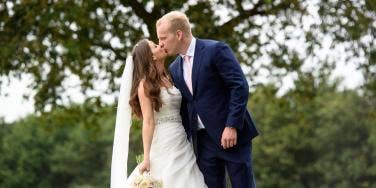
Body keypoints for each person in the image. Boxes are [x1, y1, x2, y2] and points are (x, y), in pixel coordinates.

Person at [156, 11, 259, 188]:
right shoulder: (174, 68)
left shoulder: (216, 50)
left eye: (163, 37)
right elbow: (186, 105)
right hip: (204, 143)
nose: (160, 43)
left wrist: (231, 125)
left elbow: (239, 86)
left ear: (179, 34)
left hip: (231, 136)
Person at [110, 39, 207, 188]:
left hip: (181, 138)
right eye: (155, 46)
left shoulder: (170, 76)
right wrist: (146, 157)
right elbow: (148, 121)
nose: (160, 45)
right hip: (163, 140)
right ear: (151, 56)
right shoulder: (145, 85)